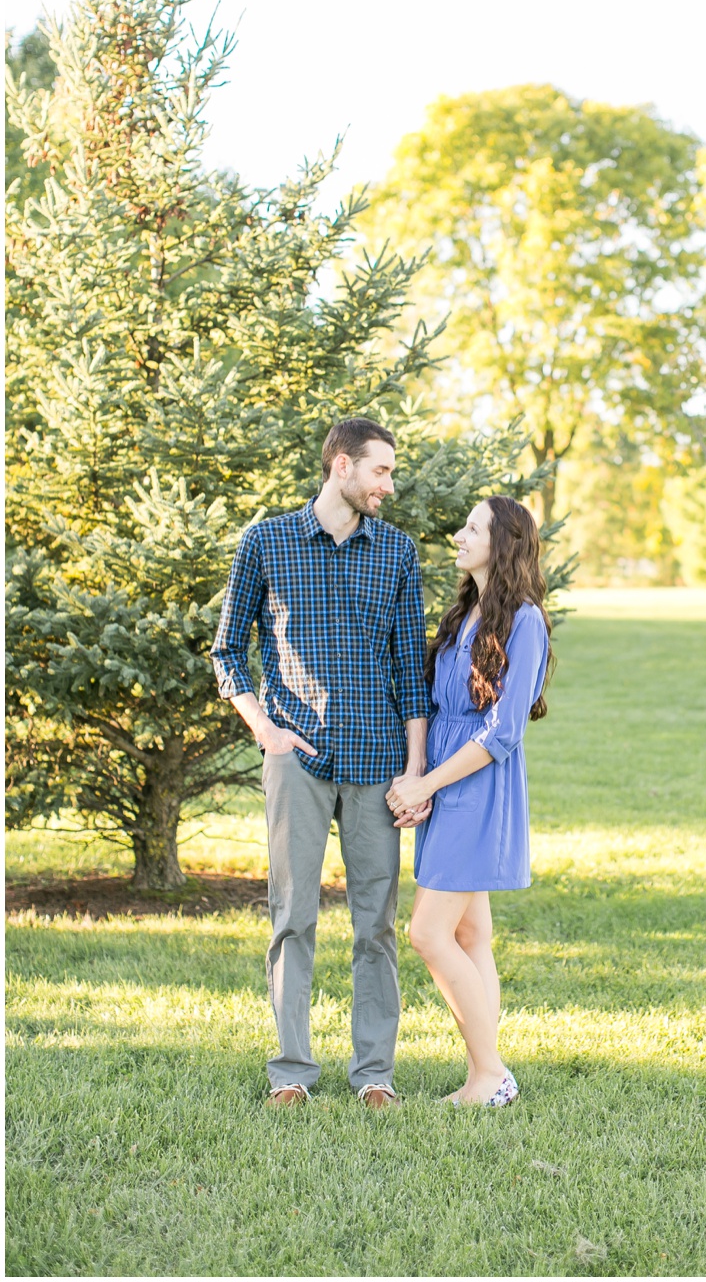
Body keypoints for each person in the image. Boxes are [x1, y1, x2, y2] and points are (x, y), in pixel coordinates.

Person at [212, 416, 435, 1110]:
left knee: (376, 924)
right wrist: (265, 729)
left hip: (377, 765)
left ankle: (374, 1074)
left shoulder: (396, 551)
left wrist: (416, 770)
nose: (388, 486)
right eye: (381, 470)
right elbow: (226, 653)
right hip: (297, 762)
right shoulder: (267, 541)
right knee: (292, 916)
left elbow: (410, 671)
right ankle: (291, 1072)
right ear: (342, 465)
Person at [387, 494, 552, 1107]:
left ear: (502, 543)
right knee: (472, 933)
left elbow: (505, 730)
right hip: (445, 783)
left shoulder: (525, 620)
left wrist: (429, 784)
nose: (459, 535)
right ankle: (486, 1074)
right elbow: (436, 708)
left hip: (479, 789)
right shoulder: (463, 616)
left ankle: (490, 1075)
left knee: (429, 934)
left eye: (472, 528)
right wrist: (417, 776)